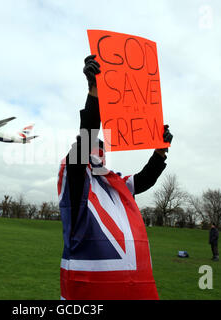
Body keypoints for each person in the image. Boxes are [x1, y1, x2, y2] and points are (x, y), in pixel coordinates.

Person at [57, 55, 173, 300]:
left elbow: (144, 180)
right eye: (96, 151)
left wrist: (160, 152)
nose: (101, 155)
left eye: (102, 150)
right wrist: (95, 92)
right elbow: (86, 138)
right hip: (88, 293)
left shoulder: (114, 183)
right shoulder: (78, 183)